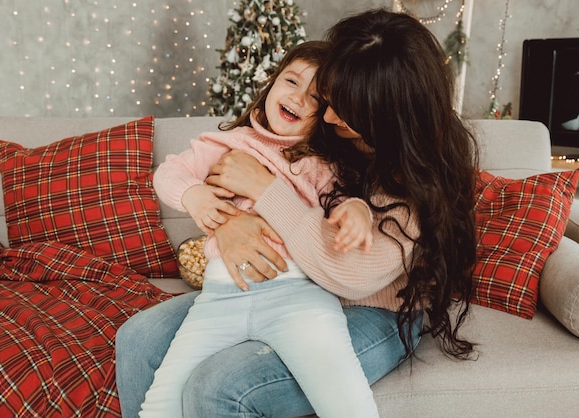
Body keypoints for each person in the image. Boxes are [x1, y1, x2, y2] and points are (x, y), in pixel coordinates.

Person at [116, 8, 479, 417]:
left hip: (370, 306)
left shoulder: (420, 173)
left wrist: (263, 187)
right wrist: (232, 223)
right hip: (285, 284)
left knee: (218, 385)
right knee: (139, 337)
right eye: (331, 96)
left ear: (386, 112)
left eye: (341, 104)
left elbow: (352, 274)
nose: (326, 115)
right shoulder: (326, 135)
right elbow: (210, 185)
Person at [138, 40, 379, 418]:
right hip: (219, 298)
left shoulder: (320, 164)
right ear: (271, 84)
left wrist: (357, 213)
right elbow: (169, 172)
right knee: (160, 405)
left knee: (345, 401)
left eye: (316, 97)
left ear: (327, 115)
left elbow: (341, 201)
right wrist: (194, 194)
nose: (299, 99)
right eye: (291, 81)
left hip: (297, 296)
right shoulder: (226, 144)